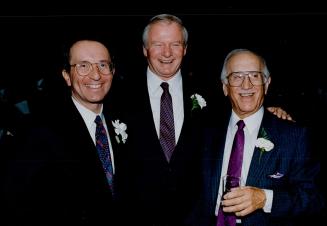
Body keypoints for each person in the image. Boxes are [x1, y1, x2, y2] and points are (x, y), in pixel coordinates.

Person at [117, 14, 292, 226]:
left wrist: (271, 114)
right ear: (145, 49)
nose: (167, 53)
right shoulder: (118, 95)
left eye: (175, 44)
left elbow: (244, 103)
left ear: (185, 48)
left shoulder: (211, 92)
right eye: (157, 44)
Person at [188, 48, 324, 226]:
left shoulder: (294, 136)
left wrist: (265, 199)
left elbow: (314, 199)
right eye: (237, 77)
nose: (246, 85)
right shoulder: (205, 132)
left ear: (266, 84)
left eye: (254, 75)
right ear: (225, 87)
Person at [3, 38, 125, 225]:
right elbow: (16, 200)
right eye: (83, 66)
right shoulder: (41, 131)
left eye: (103, 65)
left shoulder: (127, 120)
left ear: (113, 71)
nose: (96, 75)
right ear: (67, 75)